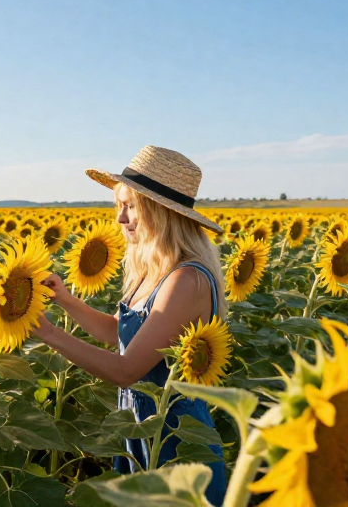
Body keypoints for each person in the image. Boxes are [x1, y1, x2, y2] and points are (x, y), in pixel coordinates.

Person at [32, 145, 227, 506]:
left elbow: (125, 370)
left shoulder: (186, 280)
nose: (121, 219)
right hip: (140, 432)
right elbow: (116, 334)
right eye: (118, 206)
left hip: (174, 441)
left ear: (162, 212)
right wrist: (65, 299)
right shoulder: (154, 272)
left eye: (131, 206)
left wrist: (47, 333)